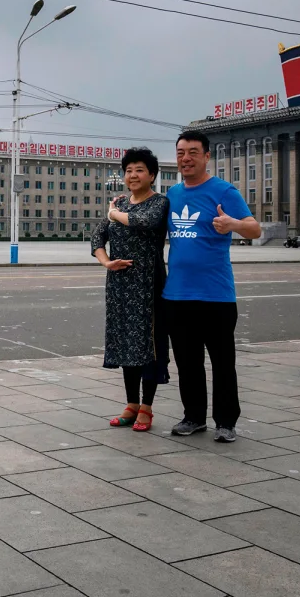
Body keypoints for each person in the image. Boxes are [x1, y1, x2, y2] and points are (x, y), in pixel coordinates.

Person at [164, 130, 261, 443]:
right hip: (177, 295)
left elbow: (254, 228)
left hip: (216, 296)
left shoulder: (224, 190)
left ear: (207, 156)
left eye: (193, 152)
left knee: (222, 363)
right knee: (187, 362)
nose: (186, 158)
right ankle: (193, 417)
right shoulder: (172, 195)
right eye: (181, 152)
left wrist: (231, 224)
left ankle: (226, 422)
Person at [91, 147, 170, 432]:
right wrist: (107, 262)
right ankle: (131, 404)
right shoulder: (120, 204)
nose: (133, 175)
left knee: (148, 343)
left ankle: (147, 406)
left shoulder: (159, 202)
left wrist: (114, 213)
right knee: (126, 342)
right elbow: (97, 236)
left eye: (139, 170)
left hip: (148, 284)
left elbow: (143, 222)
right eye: (128, 170)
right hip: (120, 286)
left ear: (151, 175)